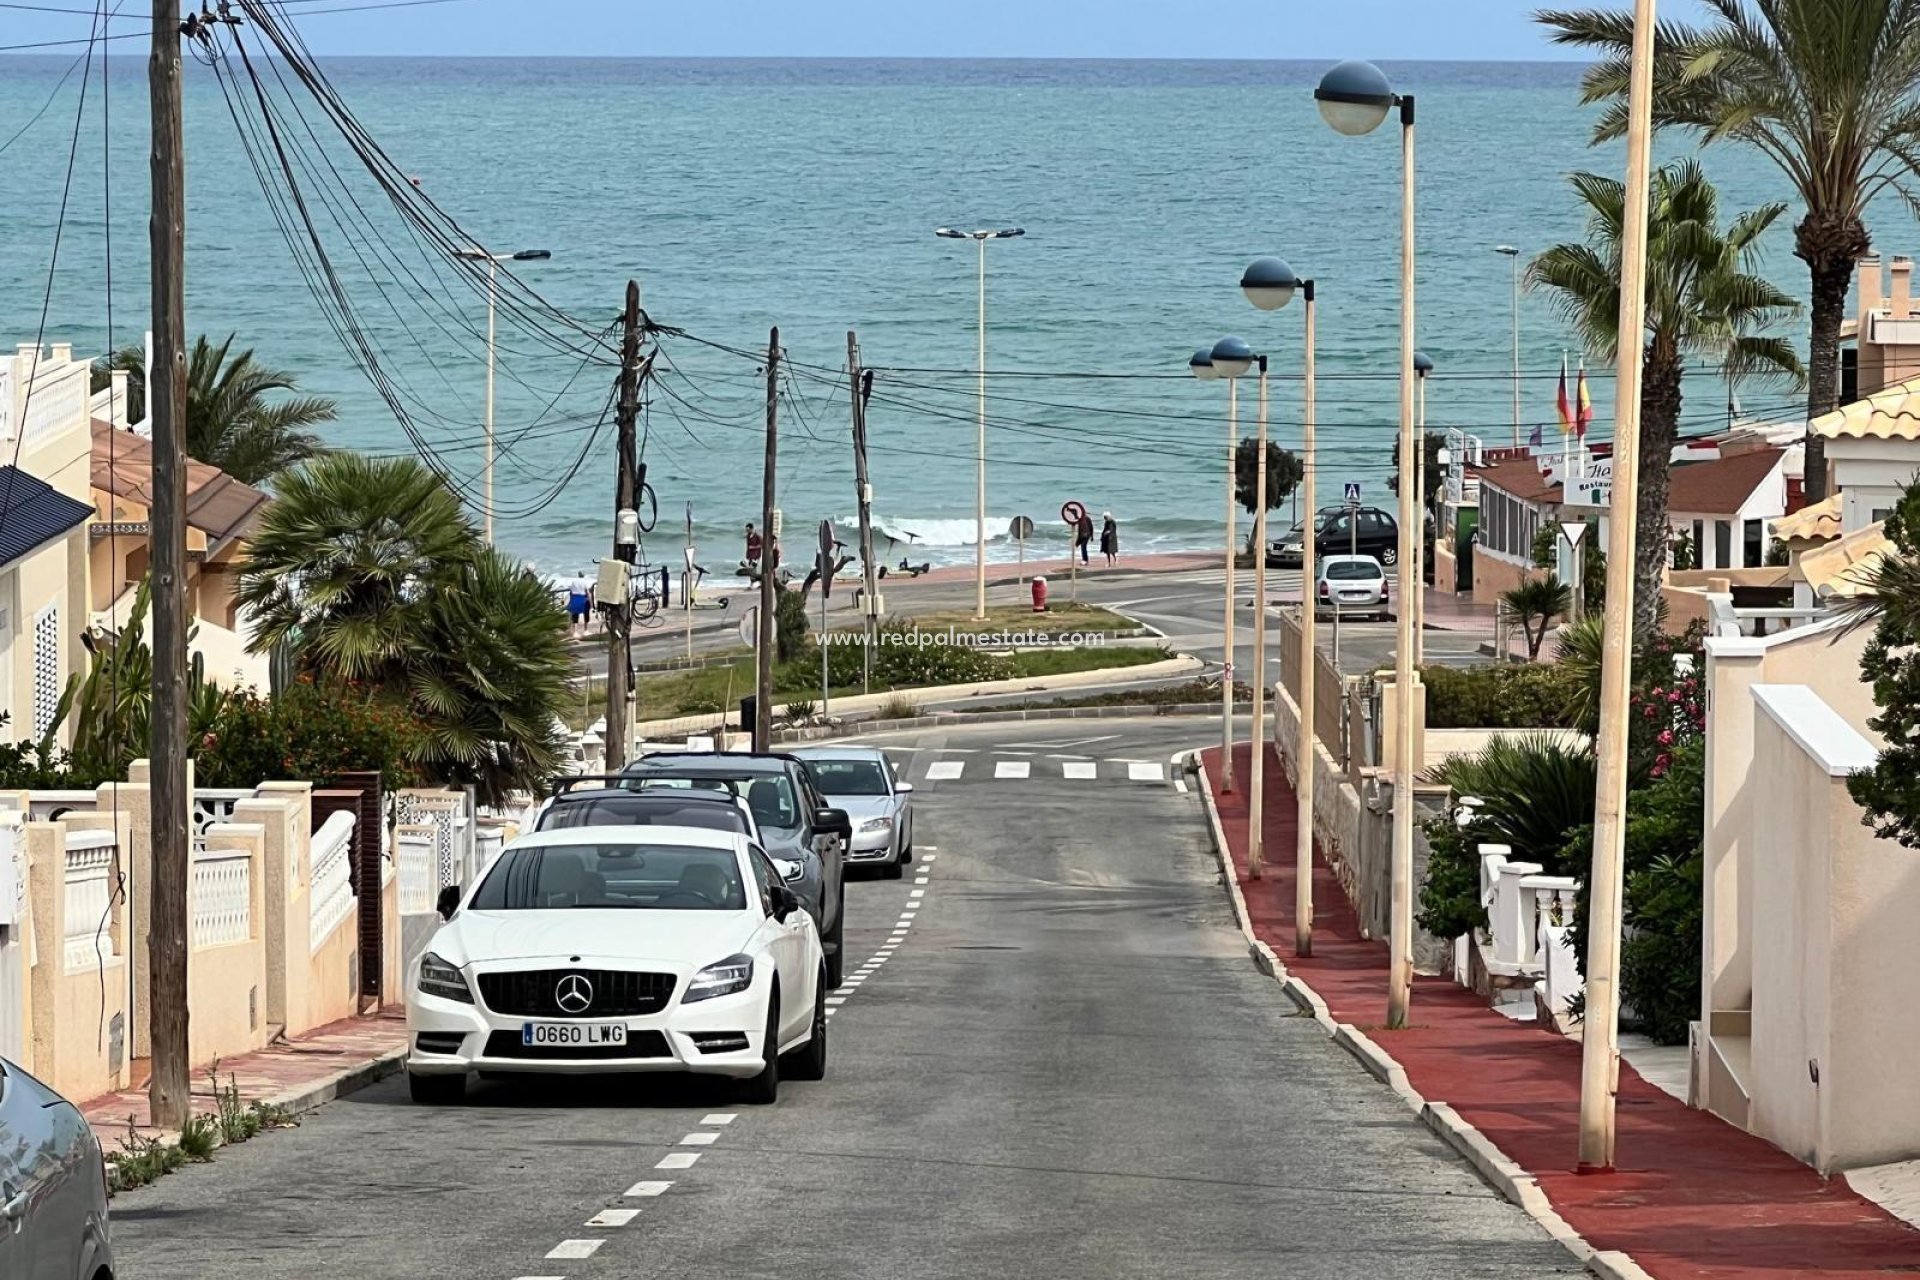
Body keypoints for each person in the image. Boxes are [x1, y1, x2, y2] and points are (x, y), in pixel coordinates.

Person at [566, 569, 593, 638]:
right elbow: (588, 592)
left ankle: (575, 632)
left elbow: (571, 592)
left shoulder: (574, 581)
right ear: (583, 575)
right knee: (586, 614)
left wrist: (569, 601)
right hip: (583, 598)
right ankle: (585, 630)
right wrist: (591, 603)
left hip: (575, 598)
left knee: (575, 614)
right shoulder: (585, 582)